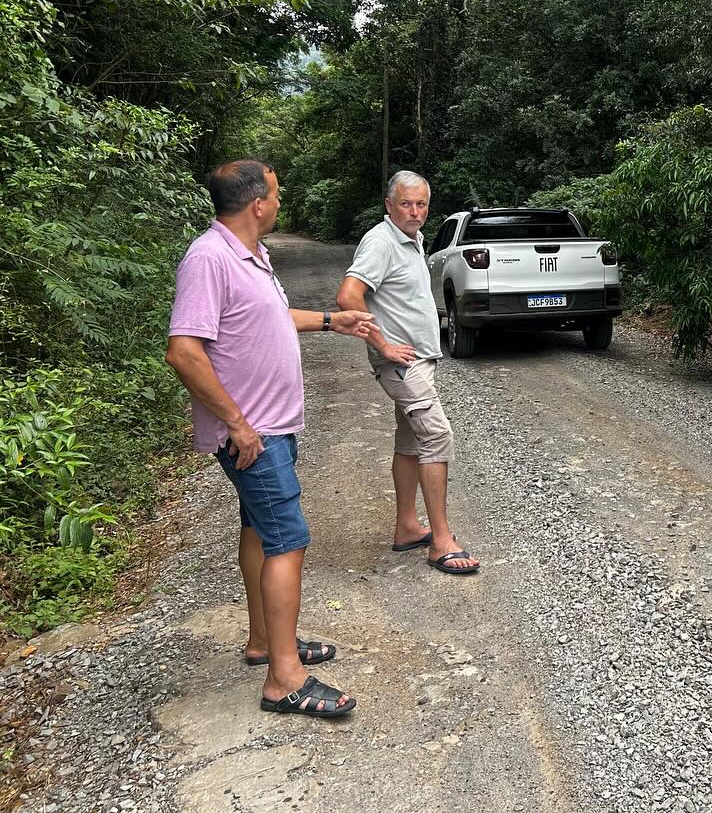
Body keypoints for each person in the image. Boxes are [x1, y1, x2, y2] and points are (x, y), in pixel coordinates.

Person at [166, 159, 374, 717]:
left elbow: (270, 319)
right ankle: (285, 678)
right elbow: (184, 351)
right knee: (288, 538)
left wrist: (333, 321)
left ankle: (266, 642)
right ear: (257, 203)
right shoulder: (209, 258)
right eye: (277, 194)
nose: (280, 202)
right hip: (253, 435)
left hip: (271, 428)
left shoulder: (253, 255)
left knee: (259, 529)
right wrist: (236, 423)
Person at [337, 170, 480, 575]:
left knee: (412, 440)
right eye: (406, 204)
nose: (414, 212)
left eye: (421, 204)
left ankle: (406, 526)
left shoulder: (411, 239)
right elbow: (348, 295)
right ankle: (440, 540)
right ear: (389, 205)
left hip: (416, 360)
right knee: (436, 435)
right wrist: (382, 345)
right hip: (401, 365)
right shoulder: (381, 242)